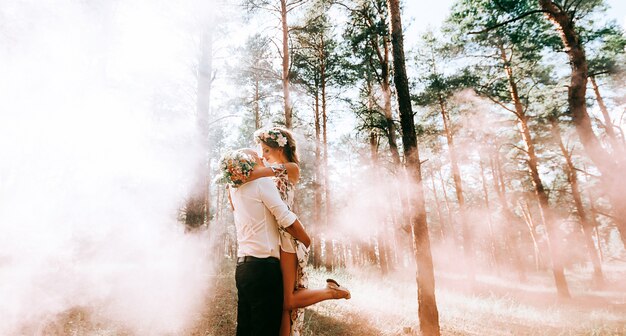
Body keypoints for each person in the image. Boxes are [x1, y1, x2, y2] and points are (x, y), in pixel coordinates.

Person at [247, 127, 351, 336]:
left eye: (266, 150)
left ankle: (331, 292)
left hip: (287, 237)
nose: (263, 156)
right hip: (273, 239)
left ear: (280, 148)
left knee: (288, 300)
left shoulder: (291, 168)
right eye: (262, 151)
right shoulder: (267, 173)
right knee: (282, 306)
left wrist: (240, 169)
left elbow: (258, 173)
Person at [218, 148, 311, 336]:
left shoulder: (234, 189)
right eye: (257, 156)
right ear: (249, 164)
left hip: (243, 268)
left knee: (245, 328)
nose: (262, 158)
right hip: (264, 269)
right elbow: (285, 218)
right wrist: (306, 240)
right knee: (265, 329)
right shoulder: (262, 183)